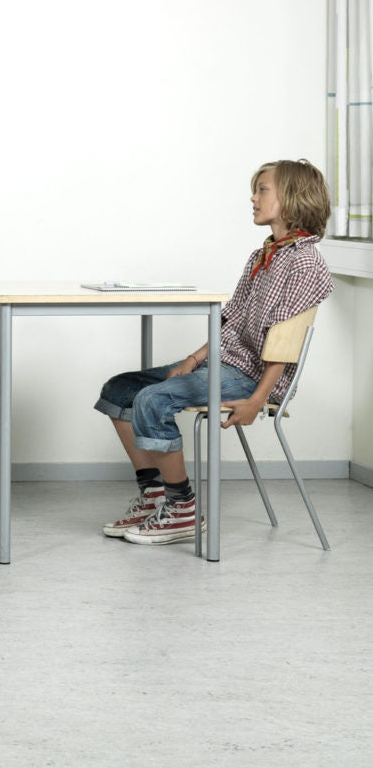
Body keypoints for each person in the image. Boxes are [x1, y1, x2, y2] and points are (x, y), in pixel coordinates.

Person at [95, 158, 334, 546]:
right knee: (119, 389)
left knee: (153, 399)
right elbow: (231, 320)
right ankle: (154, 494)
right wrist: (193, 360)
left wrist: (257, 400)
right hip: (225, 364)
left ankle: (183, 509)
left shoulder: (304, 262)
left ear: (292, 198)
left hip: (253, 378)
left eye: (262, 190)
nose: (253, 198)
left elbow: (284, 343)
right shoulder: (263, 255)